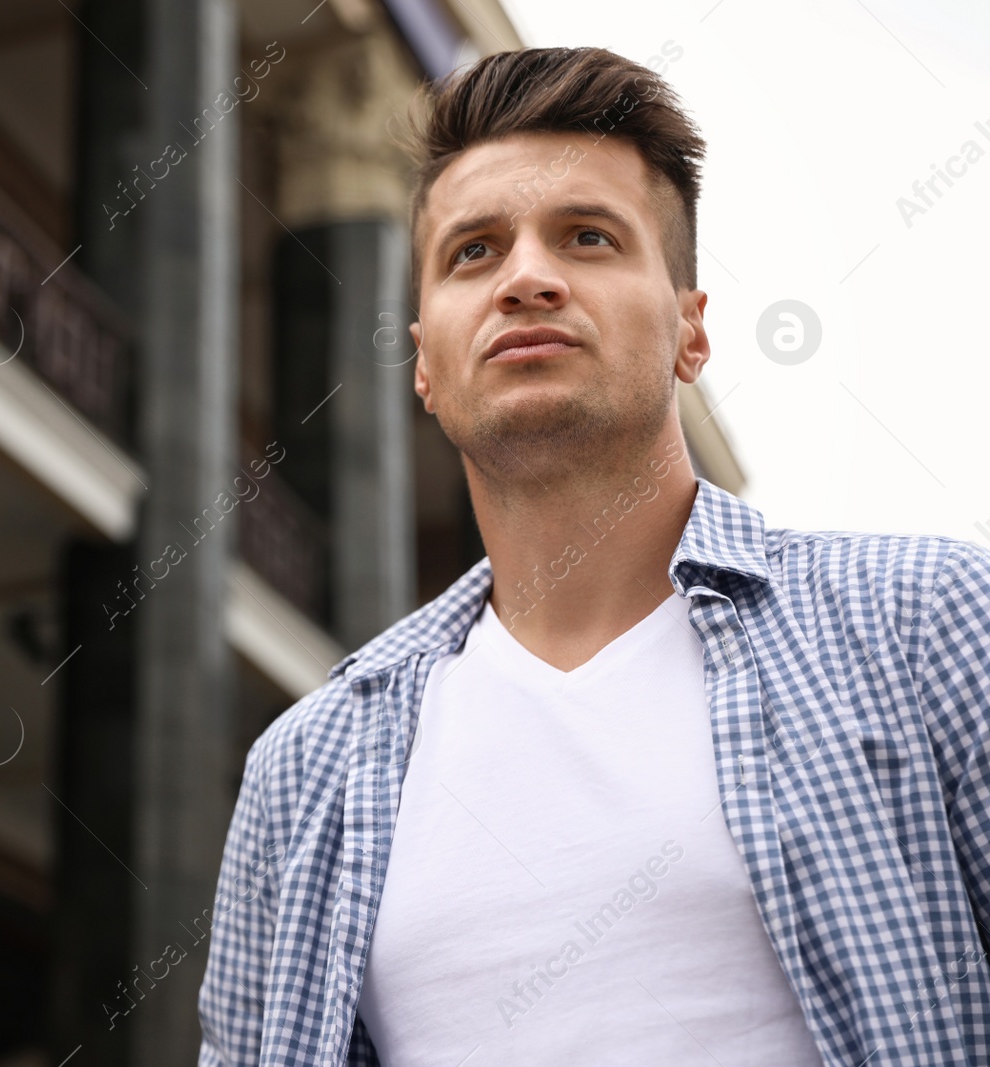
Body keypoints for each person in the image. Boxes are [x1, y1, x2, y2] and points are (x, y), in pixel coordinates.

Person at [196, 45, 990, 1066]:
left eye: (586, 236)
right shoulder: (305, 771)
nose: (527, 277)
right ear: (424, 362)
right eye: (473, 252)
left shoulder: (926, 625)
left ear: (688, 333)